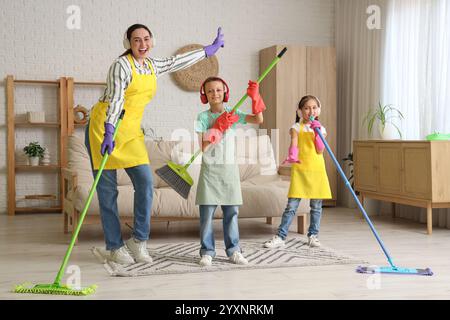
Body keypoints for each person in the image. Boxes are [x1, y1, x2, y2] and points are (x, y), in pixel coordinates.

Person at [85, 24, 225, 265]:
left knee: (145, 184)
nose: (142, 44)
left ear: (152, 41)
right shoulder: (121, 66)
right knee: (108, 192)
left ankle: (138, 241)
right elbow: (116, 100)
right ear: (127, 43)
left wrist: (207, 51)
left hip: (130, 132)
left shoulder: (151, 65)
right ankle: (114, 246)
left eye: (146, 39)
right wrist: (109, 131)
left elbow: (176, 62)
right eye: (136, 40)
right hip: (104, 127)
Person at [195, 76, 266, 267]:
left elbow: (258, 119)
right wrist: (217, 128)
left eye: (218, 90)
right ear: (205, 95)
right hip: (210, 172)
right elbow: (203, 147)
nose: (215, 94)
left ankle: (233, 251)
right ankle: (207, 251)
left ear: (225, 92)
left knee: (231, 213)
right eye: (210, 91)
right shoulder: (202, 118)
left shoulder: (234, 113)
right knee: (207, 216)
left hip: (229, 172)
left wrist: (255, 97)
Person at [264, 95, 332, 249]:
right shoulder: (296, 127)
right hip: (300, 170)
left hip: (317, 171)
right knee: (291, 206)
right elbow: (294, 143)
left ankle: (313, 236)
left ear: (319, 110)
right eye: (307, 108)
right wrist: (292, 155)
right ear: (300, 111)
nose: (311, 111)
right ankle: (281, 236)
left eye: (314, 107)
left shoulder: (321, 129)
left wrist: (317, 132)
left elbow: (320, 149)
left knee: (316, 207)